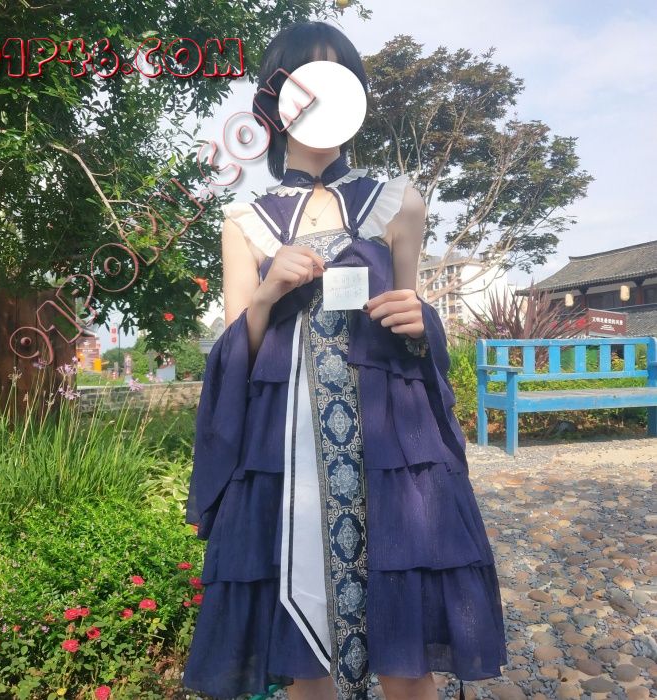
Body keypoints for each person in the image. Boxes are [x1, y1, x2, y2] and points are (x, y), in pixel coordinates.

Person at [183, 20, 508, 700]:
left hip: (391, 450)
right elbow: (233, 355)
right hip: (285, 454)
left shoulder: (399, 203)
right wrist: (268, 294)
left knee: (407, 661)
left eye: (338, 81)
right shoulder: (244, 220)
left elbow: (411, 315)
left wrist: (422, 321)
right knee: (306, 664)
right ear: (274, 102)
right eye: (306, 84)